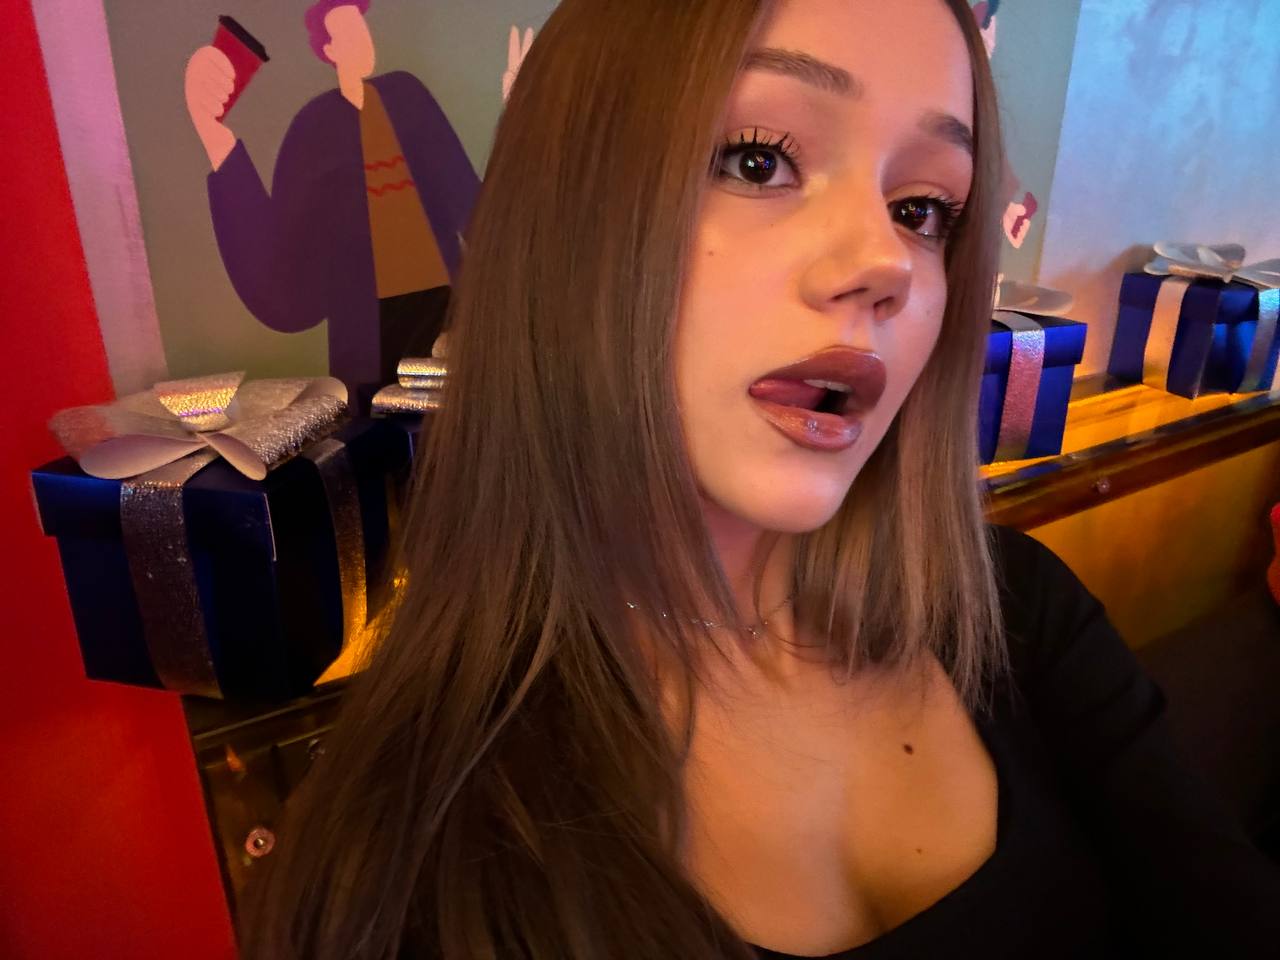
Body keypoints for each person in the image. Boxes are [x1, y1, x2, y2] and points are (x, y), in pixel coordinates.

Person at [239, 1, 1280, 957]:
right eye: (755, 159)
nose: (883, 262)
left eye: (923, 208)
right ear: (569, 214)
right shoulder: (404, 866)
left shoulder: (1011, 610)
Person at [183, 0, 480, 409]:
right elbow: (285, 265)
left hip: (442, 306)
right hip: (365, 328)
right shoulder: (313, 127)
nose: (361, 41)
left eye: (362, 30)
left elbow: (469, 200)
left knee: (460, 412)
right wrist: (216, 139)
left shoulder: (408, 96)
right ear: (329, 50)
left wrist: (518, 118)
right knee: (378, 429)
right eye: (348, 35)